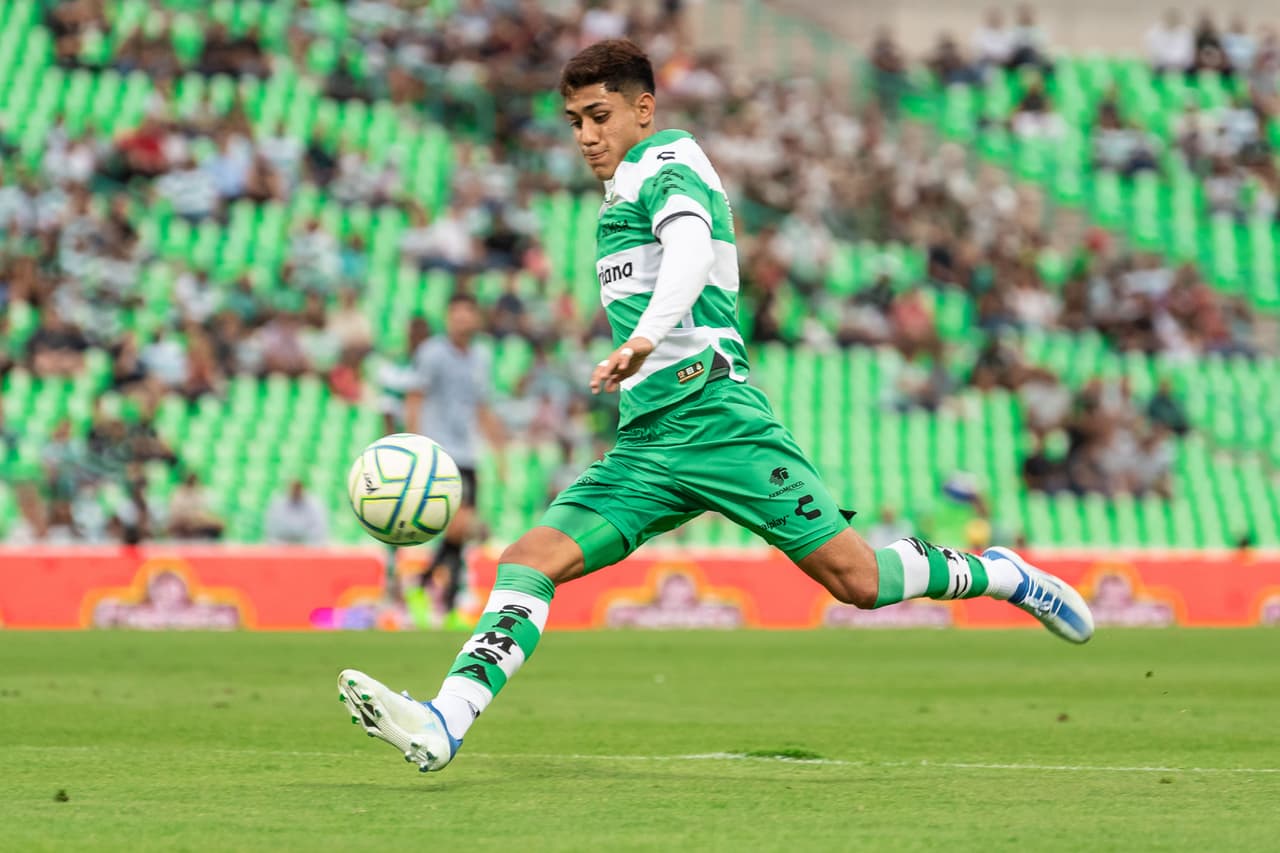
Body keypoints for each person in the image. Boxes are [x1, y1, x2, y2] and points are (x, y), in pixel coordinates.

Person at [338, 39, 1095, 775]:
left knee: (858, 581)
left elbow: (694, 248)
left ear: (643, 108)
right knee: (529, 558)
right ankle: (446, 719)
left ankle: (1004, 575)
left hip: (718, 414)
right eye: (574, 122)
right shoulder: (612, 204)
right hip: (647, 440)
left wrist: (646, 336)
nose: (587, 135)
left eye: (600, 115)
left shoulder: (669, 159)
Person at [403, 293, 507, 627]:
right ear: (448, 318)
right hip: (439, 451)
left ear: (475, 318)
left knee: (462, 532)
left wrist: (498, 451)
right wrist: (414, 446)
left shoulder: (481, 357)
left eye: (468, 314)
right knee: (460, 525)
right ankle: (438, 594)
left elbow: (482, 406)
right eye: (457, 314)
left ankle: (429, 590)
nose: (462, 320)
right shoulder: (432, 353)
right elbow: (415, 397)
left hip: (469, 453)